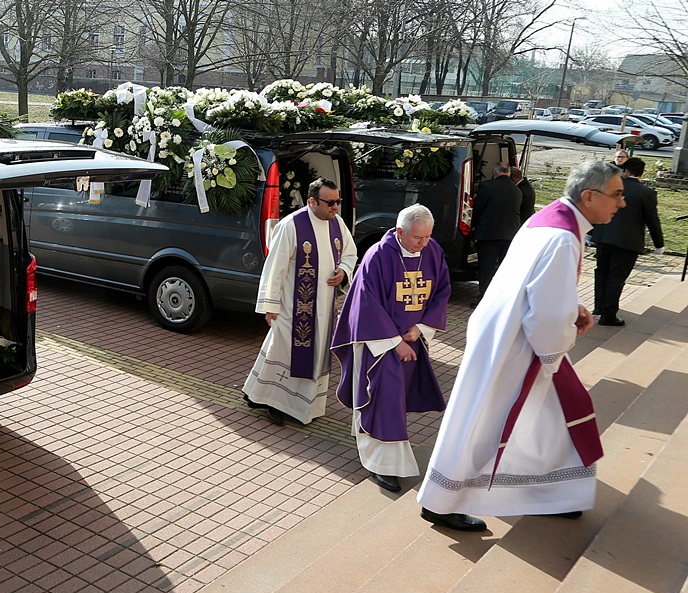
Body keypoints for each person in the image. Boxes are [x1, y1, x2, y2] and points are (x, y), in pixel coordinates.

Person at [417, 161, 622, 531]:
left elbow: (534, 283)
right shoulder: (562, 236)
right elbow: (544, 316)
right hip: (517, 345)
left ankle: (556, 493)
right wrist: (561, 340)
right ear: (589, 196)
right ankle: (440, 500)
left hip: (507, 332)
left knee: (552, 419)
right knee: (480, 422)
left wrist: (568, 307)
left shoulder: (548, 217)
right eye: (617, 194)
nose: (621, 203)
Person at [331, 205, 450, 493]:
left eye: (428, 237)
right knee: (381, 400)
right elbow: (366, 305)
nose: (424, 244)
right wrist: (395, 343)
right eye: (417, 238)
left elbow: (443, 290)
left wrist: (420, 329)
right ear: (399, 232)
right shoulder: (378, 257)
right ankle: (381, 465)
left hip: (412, 339)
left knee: (393, 402)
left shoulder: (432, 251)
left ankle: (377, 448)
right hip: (379, 343)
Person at [243, 177, 358, 425]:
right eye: (330, 202)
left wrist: (344, 271)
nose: (336, 207)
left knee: (313, 357)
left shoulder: (337, 223)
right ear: (312, 201)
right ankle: (273, 403)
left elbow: (350, 253)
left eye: (338, 201)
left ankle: (290, 403)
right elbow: (275, 268)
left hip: (325, 309)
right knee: (283, 354)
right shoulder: (291, 226)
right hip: (292, 309)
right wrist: (270, 306)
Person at [591, 157, 664, 327]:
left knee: (602, 271)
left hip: (603, 236)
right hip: (627, 241)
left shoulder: (611, 187)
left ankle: (599, 307)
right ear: (641, 173)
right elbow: (652, 220)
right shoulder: (646, 193)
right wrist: (658, 244)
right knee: (617, 277)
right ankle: (608, 315)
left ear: (626, 171)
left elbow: (597, 206)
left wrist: (591, 231)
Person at [471, 163, 522, 307]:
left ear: (494, 172)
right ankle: (502, 300)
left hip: (489, 234)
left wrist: (472, 226)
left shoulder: (487, 186)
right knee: (504, 268)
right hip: (510, 235)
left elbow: (478, 209)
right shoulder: (516, 190)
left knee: (486, 268)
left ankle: (484, 300)